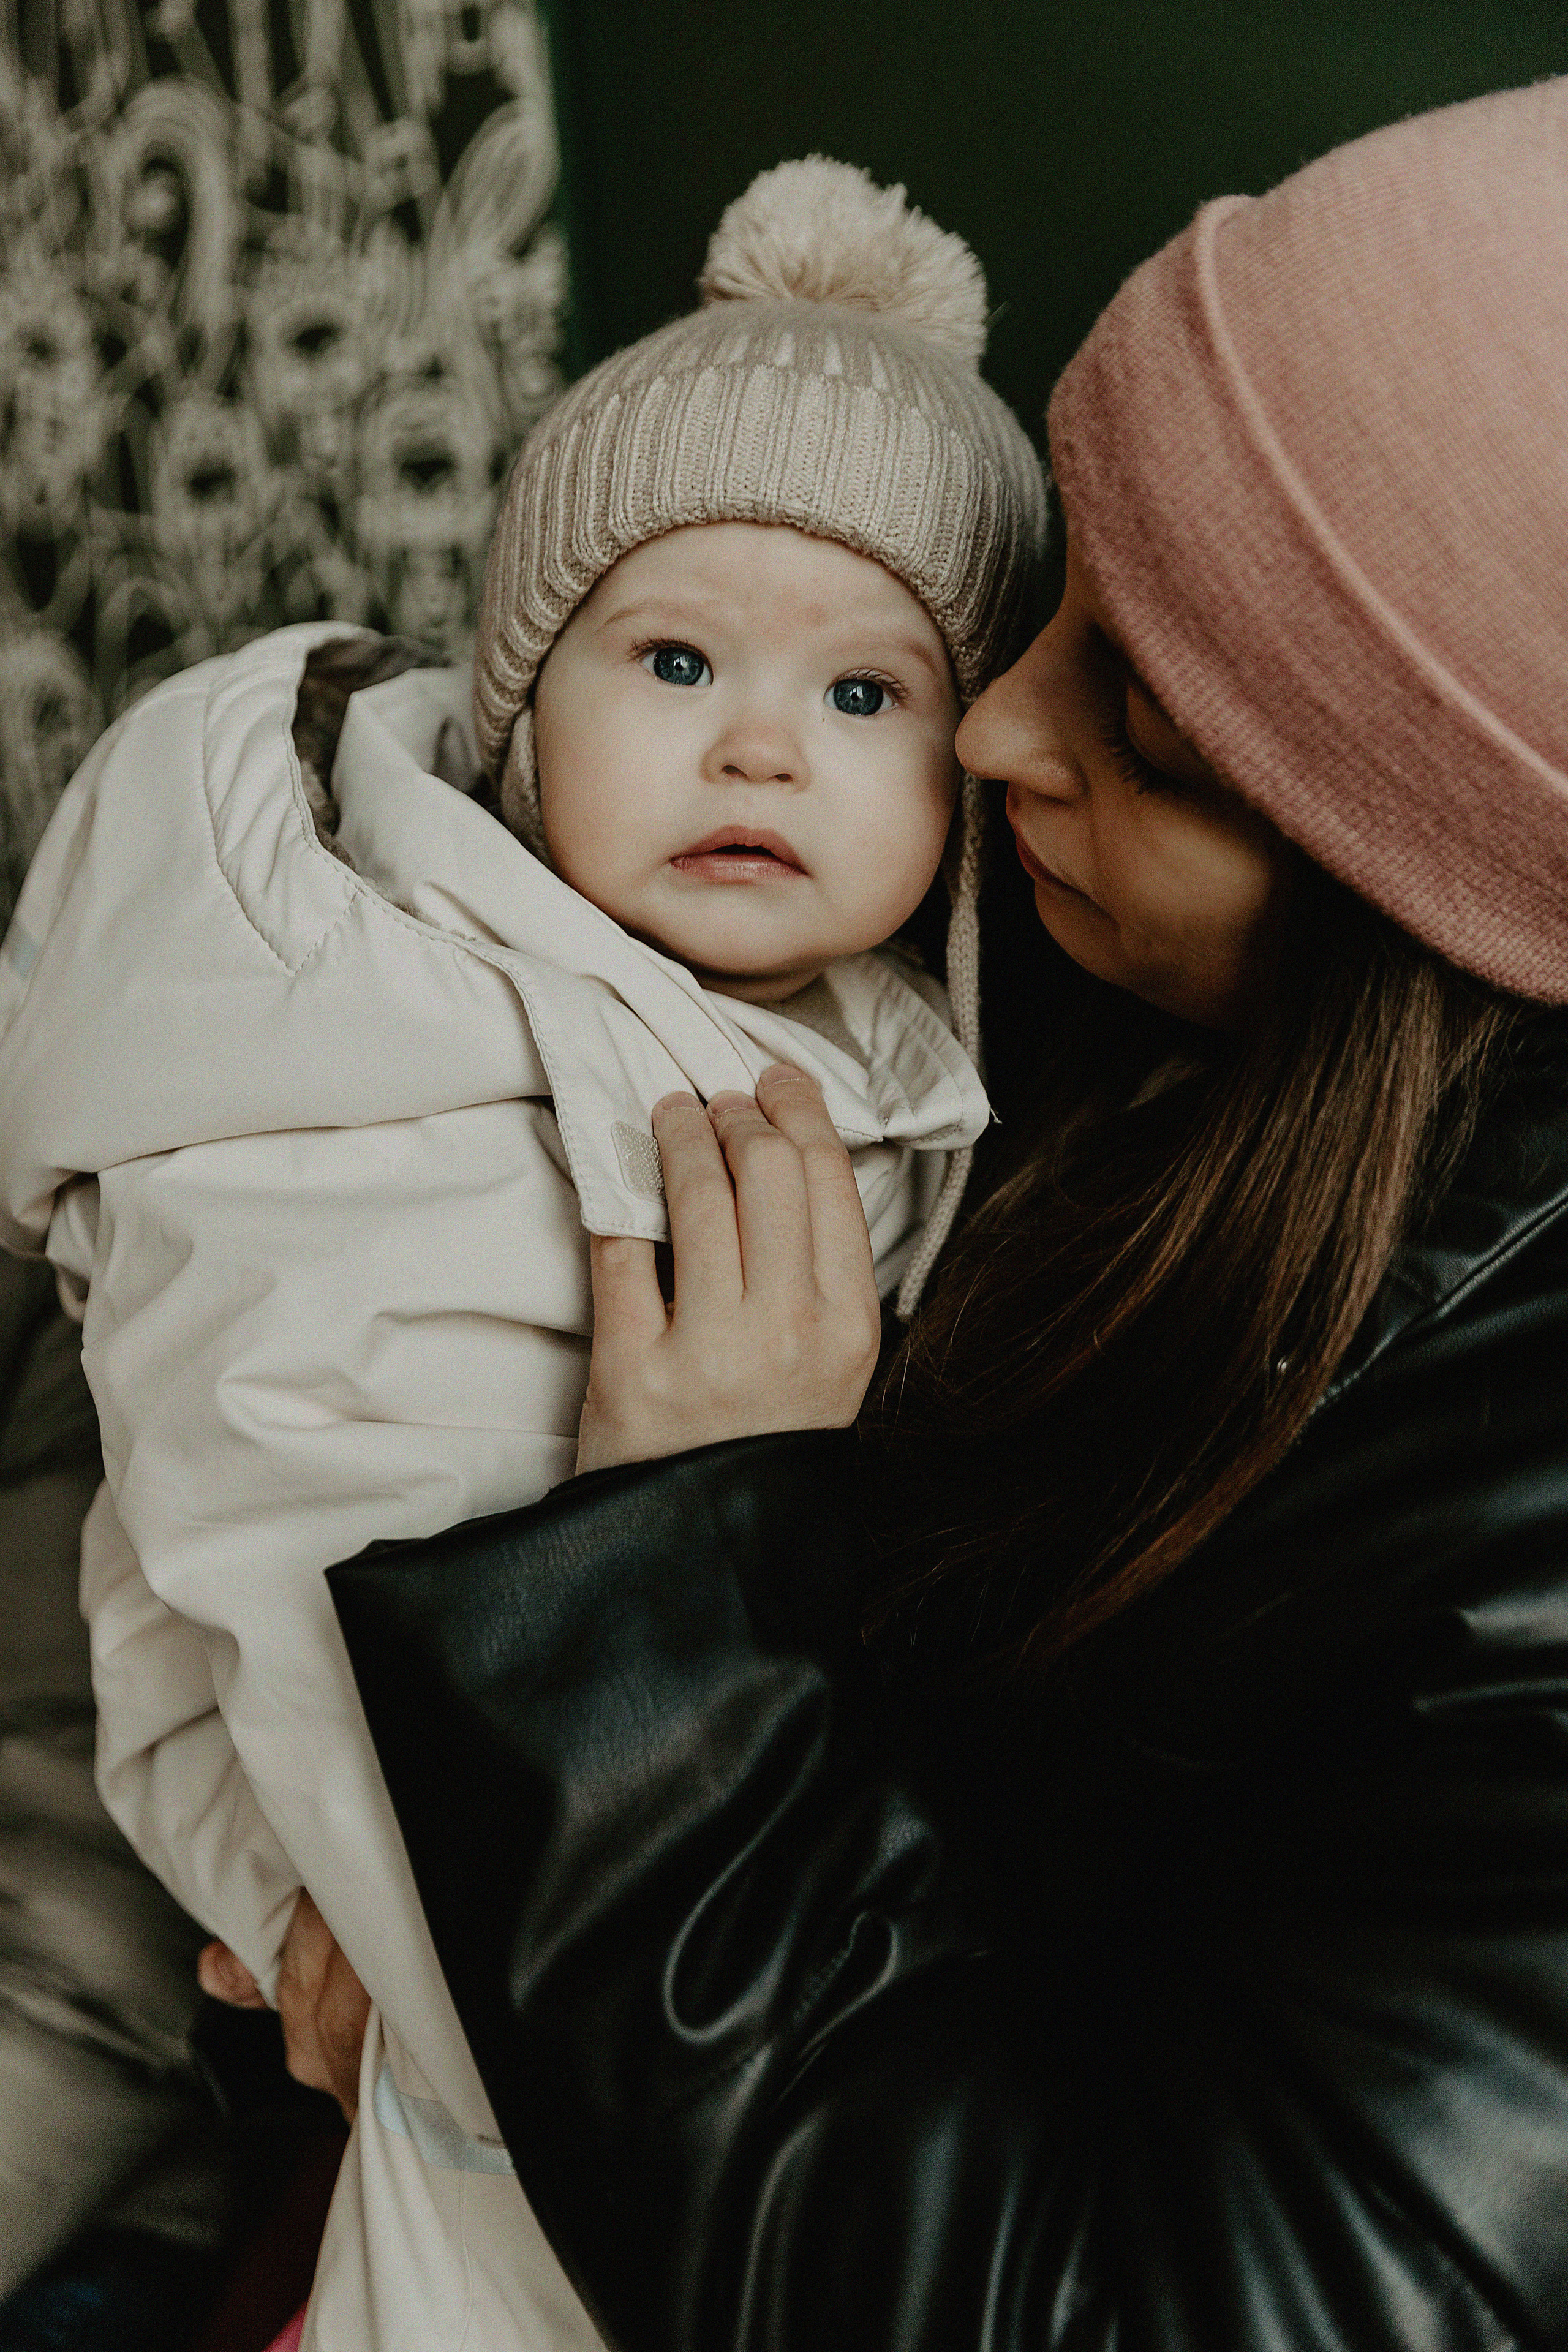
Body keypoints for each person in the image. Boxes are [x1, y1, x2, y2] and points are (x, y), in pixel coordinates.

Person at [328, 78, 1568, 2352]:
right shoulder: (1020, 973)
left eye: (1163, 738)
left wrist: (687, 1594)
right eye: (1054, 592)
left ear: (1433, 904)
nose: (995, 732)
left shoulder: (1522, 1574)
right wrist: (426, 1943)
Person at [0, 161, 1045, 2351]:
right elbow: (202, 1515)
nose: (762, 740)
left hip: (667, 1985)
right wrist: (283, 1884)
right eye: (674, 659)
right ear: (518, 702)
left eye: (871, 697)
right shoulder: (355, 1038)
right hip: (460, 1975)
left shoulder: (934, 1091)